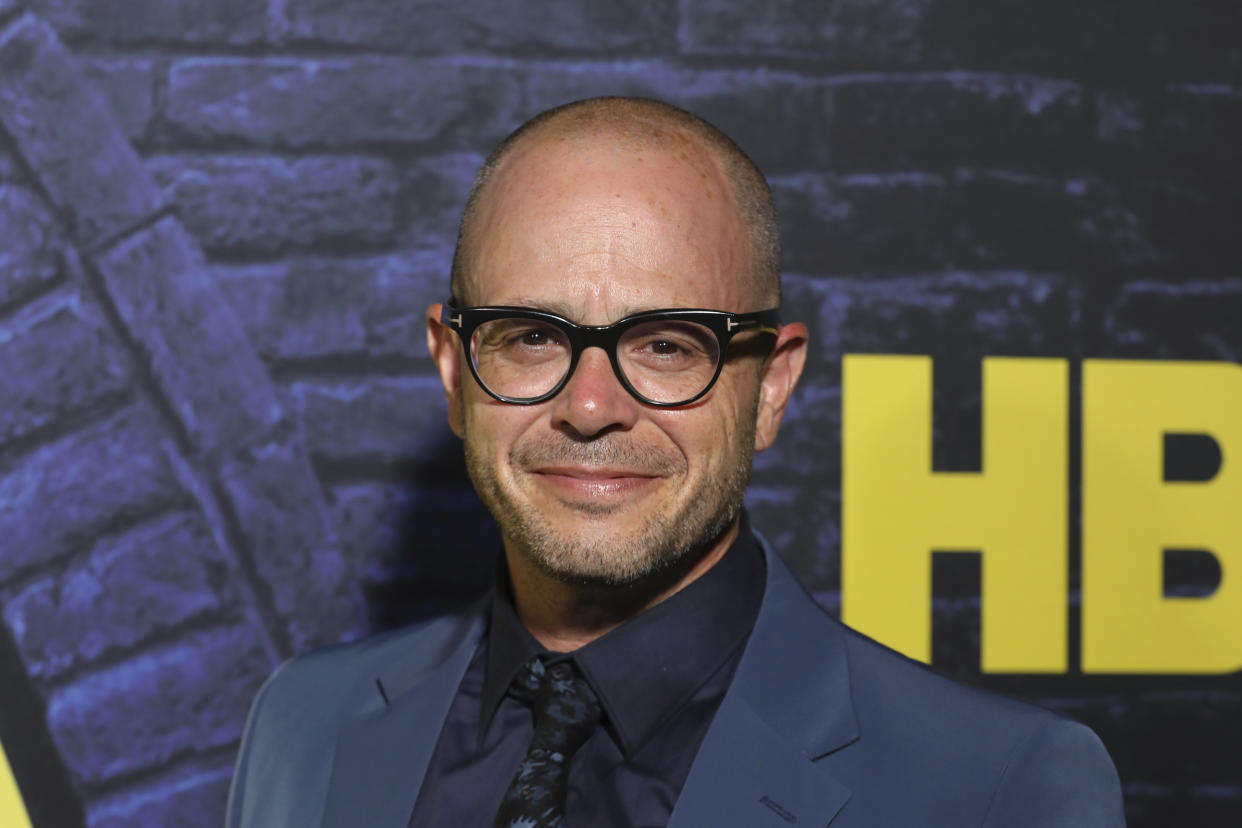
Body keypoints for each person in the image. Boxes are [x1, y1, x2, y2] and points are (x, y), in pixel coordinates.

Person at [226, 97, 1125, 828]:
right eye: (533, 337)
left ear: (771, 387)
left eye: (667, 346)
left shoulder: (998, 791)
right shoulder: (303, 726)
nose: (589, 408)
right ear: (454, 368)